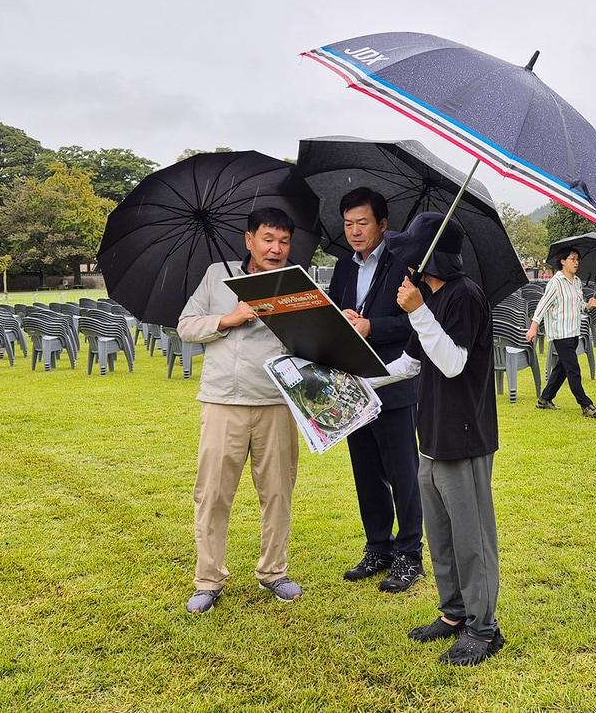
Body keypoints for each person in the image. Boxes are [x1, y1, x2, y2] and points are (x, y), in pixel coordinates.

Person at [368, 213, 504, 666]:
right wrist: (357, 381)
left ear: (428, 259)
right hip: (429, 435)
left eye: (410, 253)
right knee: (440, 534)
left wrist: (418, 312)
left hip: (463, 437)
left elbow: (452, 363)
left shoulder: (464, 296)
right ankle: (453, 614)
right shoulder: (429, 299)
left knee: (471, 537)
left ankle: (483, 629)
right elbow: (409, 364)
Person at [177, 207, 303, 613]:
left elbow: (316, 340)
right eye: (268, 239)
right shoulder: (218, 275)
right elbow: (186, 325)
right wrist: (229, 318)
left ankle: (274, 572)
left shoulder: (295, 282)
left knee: (278, 493)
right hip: (222, 402)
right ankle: (208, 580)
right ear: (249, 239)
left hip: (275, 403)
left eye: (283, 241)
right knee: (212, 494)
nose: (276, 248)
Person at [326, 187, 425, 593]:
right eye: (348, 224)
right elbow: (331, 312)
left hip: (396, 383)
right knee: (365, 472)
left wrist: (372, 326)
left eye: (363, 223)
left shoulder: (407, 264)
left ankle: (410, 555)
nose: (354, 231)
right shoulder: (343, 267)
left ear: (383, 224)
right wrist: (342, 319)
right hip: (354, 385)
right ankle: (378, 548)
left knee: (403, 473)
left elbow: (420, 321)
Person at [525, 247, 596, 418]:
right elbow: (542, 305)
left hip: (574, 331)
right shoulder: (556, 282)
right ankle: (586, 405)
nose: (576, 262)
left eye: (578, 260)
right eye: (573, 259)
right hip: (561, 334)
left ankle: (544, 399)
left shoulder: (577, 282)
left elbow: (579, 305)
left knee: (562, 368)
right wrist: (533, 327)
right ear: (563, 261)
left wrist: (588, 306)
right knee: (573, 370)